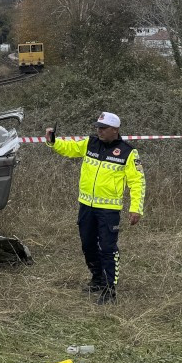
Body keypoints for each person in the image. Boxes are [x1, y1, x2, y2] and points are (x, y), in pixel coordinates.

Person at [45, 112, 145, 304]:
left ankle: (109, 289)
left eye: (103, 128)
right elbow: (69, 148)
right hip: (86, 206)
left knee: (108, 248)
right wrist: (53, 141)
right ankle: (97, 278)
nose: (99, 131)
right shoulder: (89, 143)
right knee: (88, 245)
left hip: (109, 210)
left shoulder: (128, 152)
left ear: (115, 130)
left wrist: (136, 208)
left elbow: (138, 182)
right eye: (98, 127)